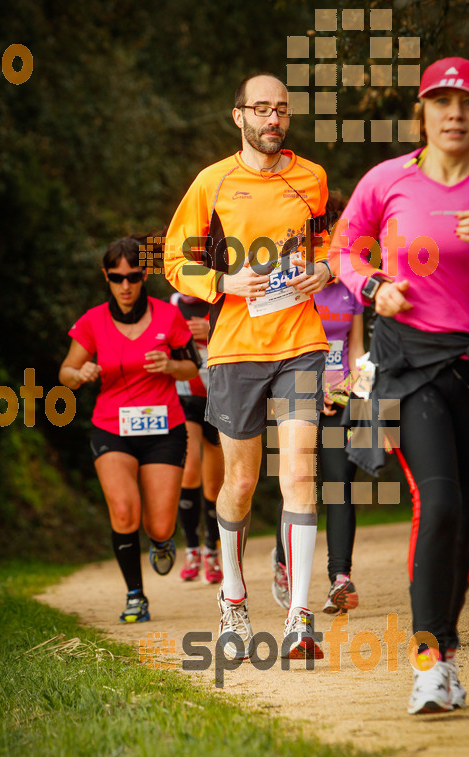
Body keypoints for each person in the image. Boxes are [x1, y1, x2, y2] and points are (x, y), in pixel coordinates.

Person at [330, 58, 469, 714]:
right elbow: (342, 249)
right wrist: (372, 286)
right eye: (440, 102)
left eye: (467, 103)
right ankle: (426, 660)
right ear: (421, 112)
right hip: (409, 364)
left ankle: (445, 655)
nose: (453, 113)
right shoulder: (385, 180)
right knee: (441, 501)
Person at [165, 73, 334, 660]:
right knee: (239, 483)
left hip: (300, 343)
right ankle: (233, 601)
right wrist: (221, 281)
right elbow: (173, 257)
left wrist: (327, 270)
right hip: (237, 347)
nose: (273, 119)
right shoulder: (212, 182)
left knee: (298, 476)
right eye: (261, 109)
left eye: (281, 110)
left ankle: (300, 616)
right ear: (238, 116)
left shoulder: (312, 178)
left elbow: (329, 242)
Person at [59, 237, 200, 623]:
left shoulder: (168, 317)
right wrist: (79, 373)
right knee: (123, 512)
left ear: (144, 277)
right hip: (112, 428)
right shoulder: (92, 321)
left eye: (134, 277)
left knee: (160, 523)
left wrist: (171, 367)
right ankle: (135, 595)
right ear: (107, 277)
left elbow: (193, 365)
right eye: (117, 277)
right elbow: (65, 372)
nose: (126, 286)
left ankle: (161, 541)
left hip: (164, 430)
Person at [272, 258, 365, 614]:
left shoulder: (352, 289)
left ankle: (340, 579)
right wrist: (310, 390)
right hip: (295, 395)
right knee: (299, 480)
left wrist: (354, 391)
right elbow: (277, 348)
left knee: (340, 484)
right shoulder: (289, 282)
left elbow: (356, 349)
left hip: (340, 400)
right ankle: (283, 563)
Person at [169, 292, 224, 584]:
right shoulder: (173, 303)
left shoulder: (223, 294)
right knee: (189, 472)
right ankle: (190, 550)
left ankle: (210, 553)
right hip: (186, 398)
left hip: (218, 398)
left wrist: (213, 331)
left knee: (214, 485)